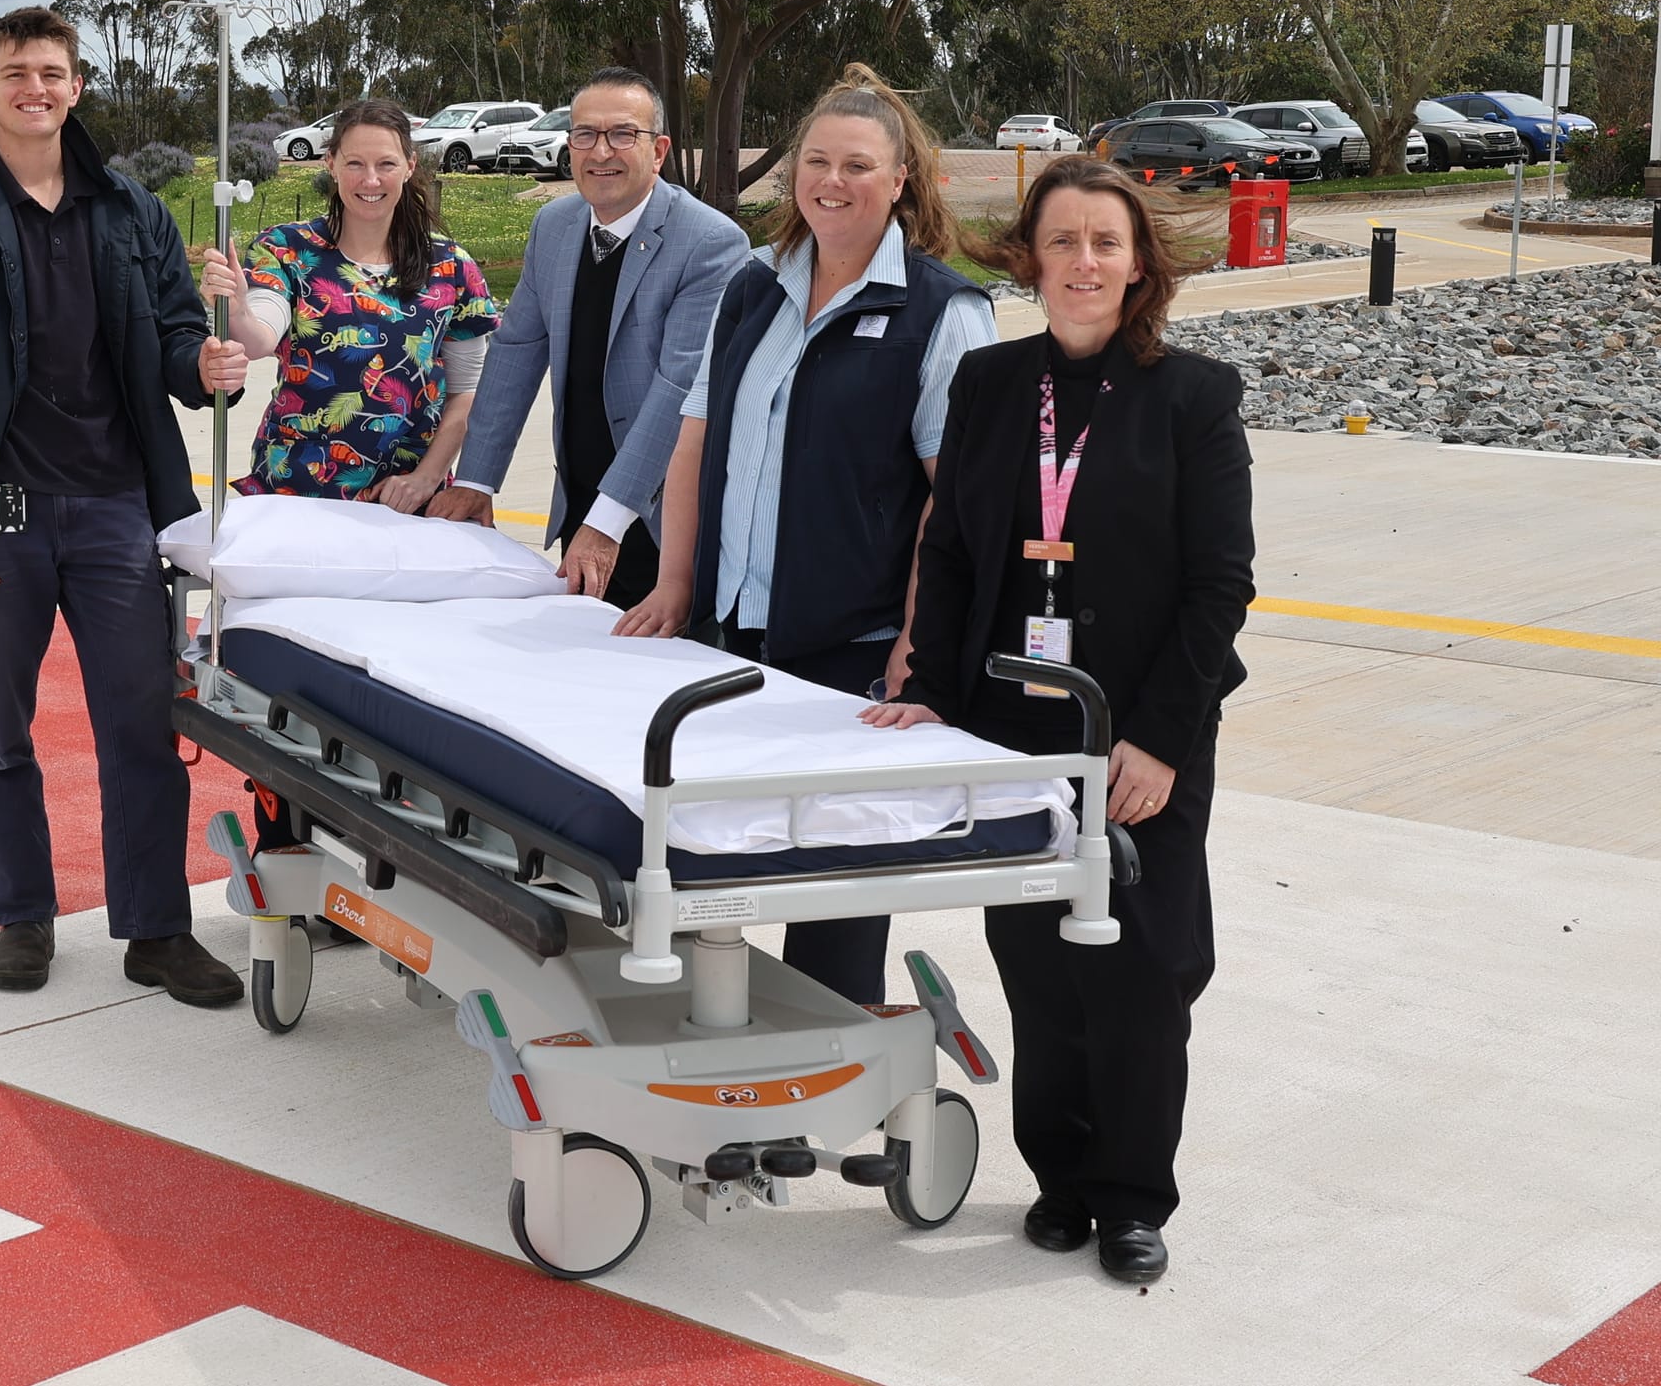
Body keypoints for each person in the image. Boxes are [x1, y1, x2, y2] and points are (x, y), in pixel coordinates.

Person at [863, 153, 1256, 1284]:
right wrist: (927, 688)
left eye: (1104, 243)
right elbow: (945, 547)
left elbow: (1216, 587)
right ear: (1028, 257)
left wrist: (1162, 740)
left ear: (1138, 267)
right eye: (1062, 241)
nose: (1082, 262)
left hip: (1134, 738)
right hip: (1007, 726)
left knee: (1141, 967)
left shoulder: (1193, 398)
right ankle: (1060, 1180)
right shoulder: (990, 384)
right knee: (1036, 961)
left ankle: (1132, 1195)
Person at [0, 5, 250, 1006]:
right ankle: (24, 916)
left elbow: (178, 343)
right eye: (15, 74)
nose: (34, 89)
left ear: (77, 87)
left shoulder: (131, 210)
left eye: (51, 72)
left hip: (117, 512)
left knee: (141, 727)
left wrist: (209, 362)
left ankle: (156, 930)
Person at [614, 65, 997, 1004]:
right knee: (714, 862)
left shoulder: (945, 314)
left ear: (903, 179)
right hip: (730, 635)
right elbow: (695, 444)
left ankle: (831, 1069)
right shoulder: (754, 290)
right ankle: (729, 1055)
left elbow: (956, 508)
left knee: (834, 897)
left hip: (852, 650)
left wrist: (918, 646)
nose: (832, 180)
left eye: (858, 165)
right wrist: (673, 585)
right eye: (815, 161)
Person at [427, 67, 749, 607]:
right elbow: (514, 354)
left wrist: (609, 519)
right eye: (585, 134)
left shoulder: (710, 243)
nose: (602, 152)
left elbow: (678, 389)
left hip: (660, 522)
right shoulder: (554, 226)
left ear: (660, 149)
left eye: (623, 134)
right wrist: (476, 482)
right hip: (581, 504)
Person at [197, 98, 500, 508]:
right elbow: (259, 339)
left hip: (407, 502)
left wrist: (425, 479)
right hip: (295, 494)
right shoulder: (286, 249)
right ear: (331, 163)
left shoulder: (451, 267)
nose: (370, 180)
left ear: (410, 166)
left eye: (386, 165)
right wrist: (236, 309)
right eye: (355, 163)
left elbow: (467, 392)